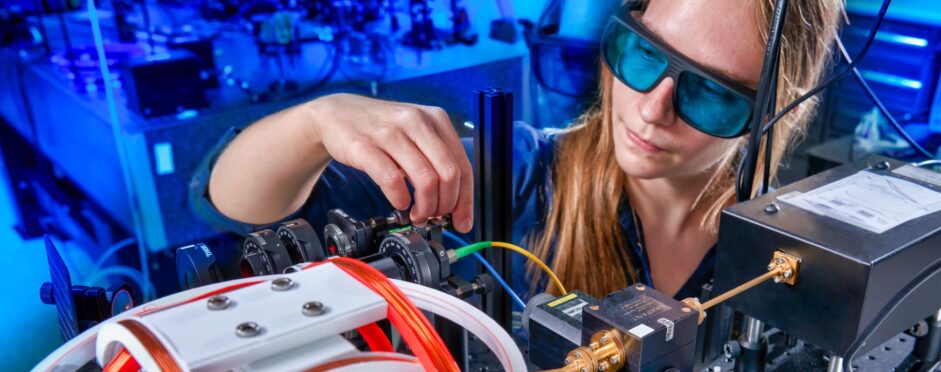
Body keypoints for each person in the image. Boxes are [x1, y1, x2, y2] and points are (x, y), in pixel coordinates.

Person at [194, 0, 842, 302]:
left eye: (708, 94)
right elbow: (237, 210)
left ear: (773, 113)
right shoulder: (521, 175)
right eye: (643, 54)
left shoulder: (776, 249)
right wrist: (314, 122)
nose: (652, 107)